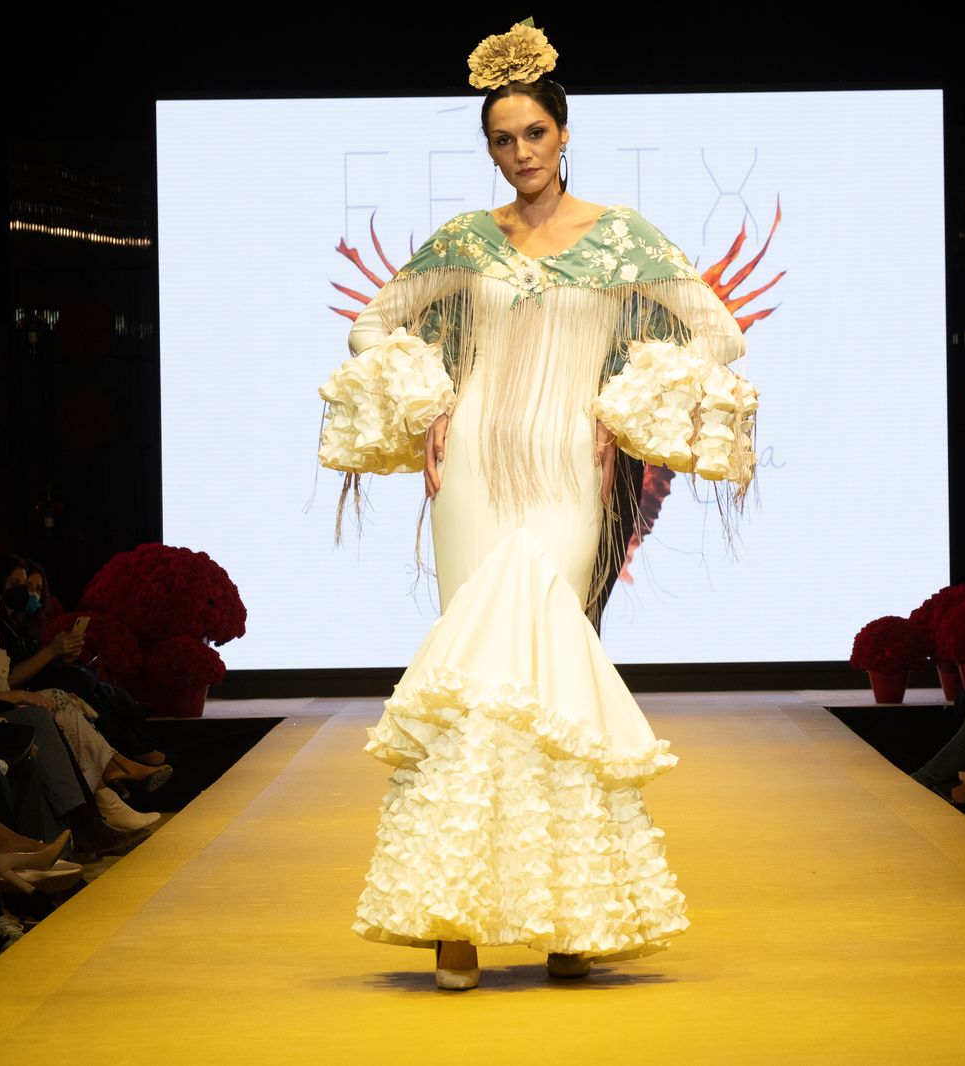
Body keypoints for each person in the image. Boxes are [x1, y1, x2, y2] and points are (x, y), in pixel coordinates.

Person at [318, 19, 754, 991]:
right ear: (490, 148)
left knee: (553, 673)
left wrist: (624, 404)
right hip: (470, 469)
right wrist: (426, 398)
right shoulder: (465, 240)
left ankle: (569, 916)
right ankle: (455, 923)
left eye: (534, 136)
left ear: (565, 134)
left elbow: (718, 335)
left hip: (566, 471)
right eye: (501, 140)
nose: (519, 154)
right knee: (472, 677)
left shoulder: (623, 237)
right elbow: (371, 324)